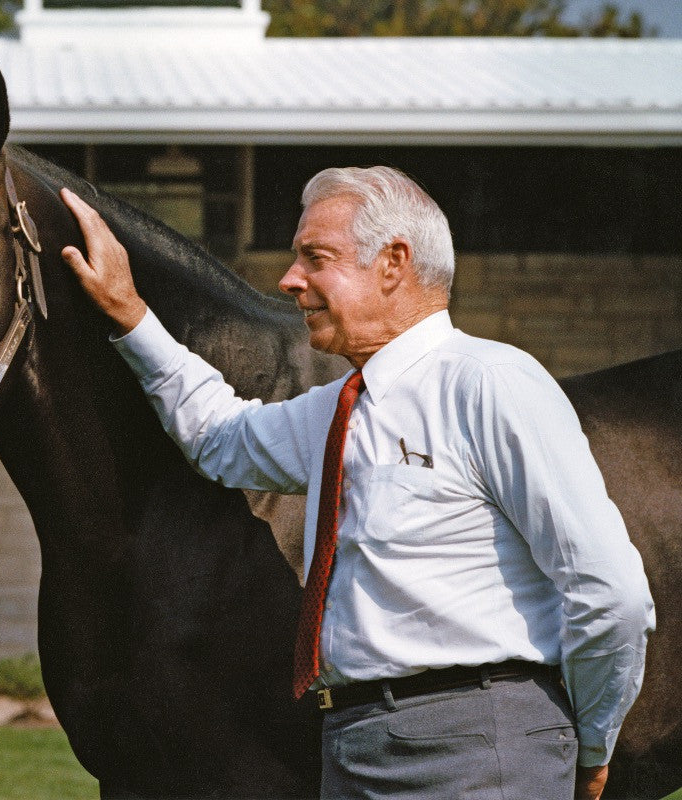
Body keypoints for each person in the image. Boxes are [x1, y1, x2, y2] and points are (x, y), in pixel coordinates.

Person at [58, 166, 654, 800]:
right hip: (351, 747)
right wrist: (131, 314)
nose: (290, 280)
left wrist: (591, 744)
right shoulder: (339, 410)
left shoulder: (490, 383)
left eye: (316, 258)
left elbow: (609, 590)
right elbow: (219, 436)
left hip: (480, 751)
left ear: (393, 263)